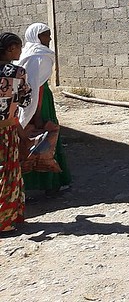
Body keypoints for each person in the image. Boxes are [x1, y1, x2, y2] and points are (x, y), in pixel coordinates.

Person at [18, 23, 72, 194]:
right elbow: (34, 87)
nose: (49, 38)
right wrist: (37, 114)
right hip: (39, 103)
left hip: (42, 99)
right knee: (42, 140)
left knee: (41, 141)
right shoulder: (36, 57)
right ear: (36, 36)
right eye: (46, 35)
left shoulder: (36, 54)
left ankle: (48, 183)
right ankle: (46, 184)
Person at [0, 32, 32, 233]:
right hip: (5, 130)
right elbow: (25, 100)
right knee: (7, 171)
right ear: (11, 48)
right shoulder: (16, 72)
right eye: (19, 47)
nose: (21, 51)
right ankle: (4, 220)